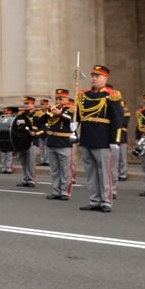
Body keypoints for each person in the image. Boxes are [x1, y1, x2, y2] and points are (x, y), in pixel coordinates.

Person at [76, 65, 123, 213]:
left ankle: (106, 201)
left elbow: (117, 120)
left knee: (104, 172)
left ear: (105, 78)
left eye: (98, 76)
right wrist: (73, 124)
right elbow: (78, 116)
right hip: (87, 138)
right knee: (90, 172)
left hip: (102, 139)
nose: (94, 79)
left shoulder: (111, 96)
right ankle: (94, 200)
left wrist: (114, 140)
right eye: (93, 76)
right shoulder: (84, 95)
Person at [44, 88, 75, 200]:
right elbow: (41, 121)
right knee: (54, 169)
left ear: (66, 99)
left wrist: (60, 113)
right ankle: (56, 191)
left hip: (63, 142)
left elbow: (71, 121)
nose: (58, 100)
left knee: (65, 169)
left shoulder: (70, 109)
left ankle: (64, 192)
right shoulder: (53, 109)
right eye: (57, 98)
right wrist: (48, 112)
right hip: (52, 141)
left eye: (61, 98)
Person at [15, 96, 40, 188]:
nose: (26, 105)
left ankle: (31, 180)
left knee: (30, 161)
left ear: (33, 104)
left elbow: (41, 126)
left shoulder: (37, 114)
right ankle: (25, 178)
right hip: (22, 140)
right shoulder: (21, 114)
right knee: (23, 160)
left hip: (31, 140)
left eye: (28, 103)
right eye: (25, 104)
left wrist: (34, 131)